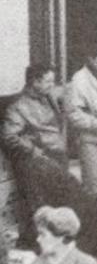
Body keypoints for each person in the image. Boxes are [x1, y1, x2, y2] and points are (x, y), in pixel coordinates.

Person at [2, 64, 70, 244]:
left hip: (57, 157)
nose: (52, 85)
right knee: (41, 207)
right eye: (48, 81)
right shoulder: (18, 106)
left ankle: (56, 243)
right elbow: (9, 135)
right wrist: (34, 151)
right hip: (40, 162)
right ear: (34, 82)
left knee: (59, 202)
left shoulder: (48, 96)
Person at [65, 41, 97, 203]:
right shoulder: (78, 80)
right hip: (89, 139)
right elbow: (73, 114)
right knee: (91, 186)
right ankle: (91, 223)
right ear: (90, 60)